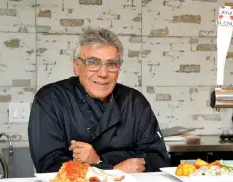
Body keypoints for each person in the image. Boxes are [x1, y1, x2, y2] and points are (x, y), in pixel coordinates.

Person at [28, 27, 171, 173]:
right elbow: (49, 167)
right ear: (77, 66)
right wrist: (112, 169)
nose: (103, 73)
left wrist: (97, 161)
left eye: (111, 64)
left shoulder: (134, 102)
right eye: (93, 62)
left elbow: (159, 160)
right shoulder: (50, 100)